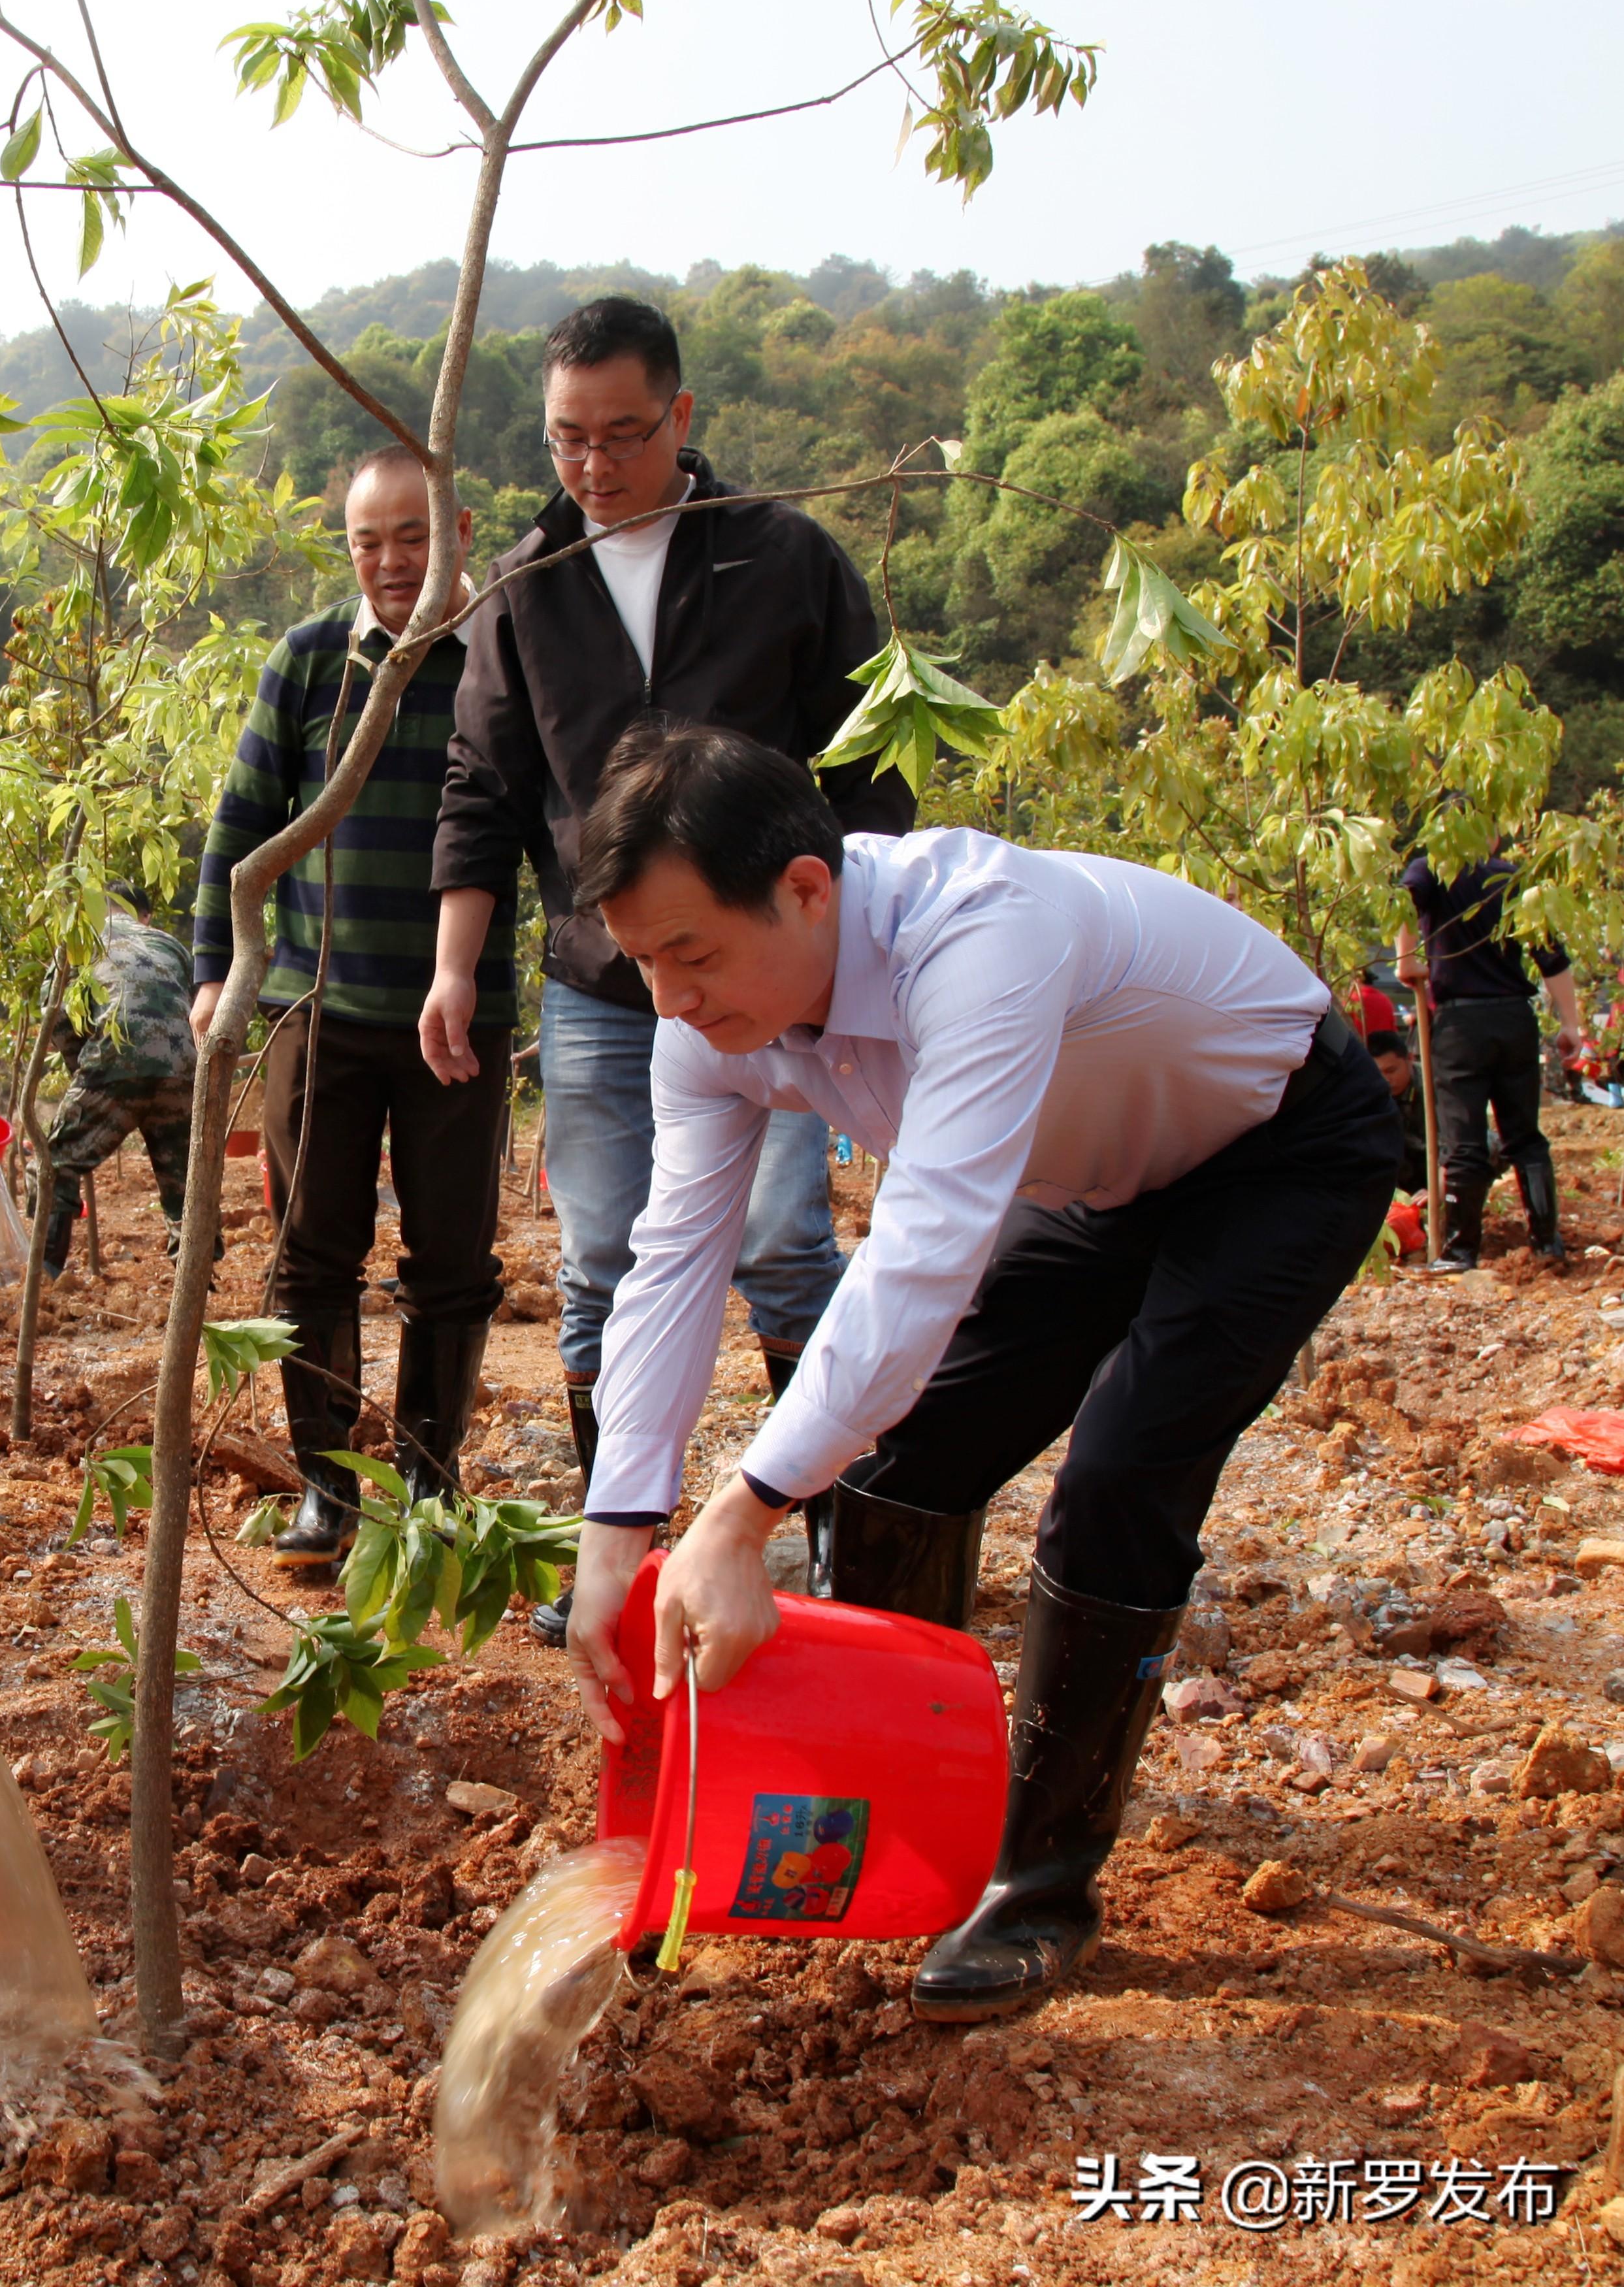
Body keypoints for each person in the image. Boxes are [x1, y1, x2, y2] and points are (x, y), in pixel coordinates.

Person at [562, 719, 1397, 2021]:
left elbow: (921, 1251)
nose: (670, 998)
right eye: (643, 963)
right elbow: (671, 1260)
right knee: (904, 1457)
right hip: (1096, 1178)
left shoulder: (978, 931)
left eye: (693, 954)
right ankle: (884, 1810)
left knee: (1121, 1470)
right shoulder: (705, 1025)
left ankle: (1041, 1884)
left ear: (805, 888)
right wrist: (616, 1527)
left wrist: (739, 1515)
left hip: (1279, 1149)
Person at [417, 296, 908, 1643]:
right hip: (596, 979)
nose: (593, 465)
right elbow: (482, 783)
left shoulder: (778, 555)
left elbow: (872, 762)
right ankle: (620, 1561)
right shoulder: (523, 585)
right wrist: (459, 966)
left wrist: (851, 966)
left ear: (681, 418)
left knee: (783, 1243)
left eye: (622, 433)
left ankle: (836, 1547)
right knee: (600, 1259)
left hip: (770, 978)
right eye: (567, 438)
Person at [195, 446, 516, 1553]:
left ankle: (429, 1490)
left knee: (452, 1262)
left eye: (412, 536)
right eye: (366, 541)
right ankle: (329, 1485)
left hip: (461, 1018)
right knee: (310, 1251)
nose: (390, 561)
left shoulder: (503, 656)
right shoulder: (312, 659)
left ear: (461, 528)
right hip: (314, 1009)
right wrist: (212, 970)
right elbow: (240, 826)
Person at [1397, 849, 1587, 1271]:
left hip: (1460, 1024)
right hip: (1513, 1016)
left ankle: (1460, 1251)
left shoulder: (1432, 867)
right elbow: (1551, 955)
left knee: (1462, 1142)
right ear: (1493, 835)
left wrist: (1405, 959)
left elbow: (1403, 901)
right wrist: (1570, 1024)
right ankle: (1545, 1242)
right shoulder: (1514, 878)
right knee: (1525, 1138)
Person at [42, 887, 198, 1278]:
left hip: (116, 1056)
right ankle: (196, 1282)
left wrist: (83, 1066)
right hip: (184, 1065)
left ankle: (45, 1274)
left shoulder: (79, 942)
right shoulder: (172, 944)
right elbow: (192, 1006)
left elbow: (55, 1015)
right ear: (143, 916)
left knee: (55, 1161)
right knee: (187, 1178)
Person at [1367, 1028, 1427, 1195]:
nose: (1386, 1080)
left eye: (1391, 1071)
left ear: (1409, 1059)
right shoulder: (1366, 1090)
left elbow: (1450, 1146)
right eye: (1378, 1073)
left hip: (1434, 1167)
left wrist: (1437, 1190)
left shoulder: (1433, 1085)